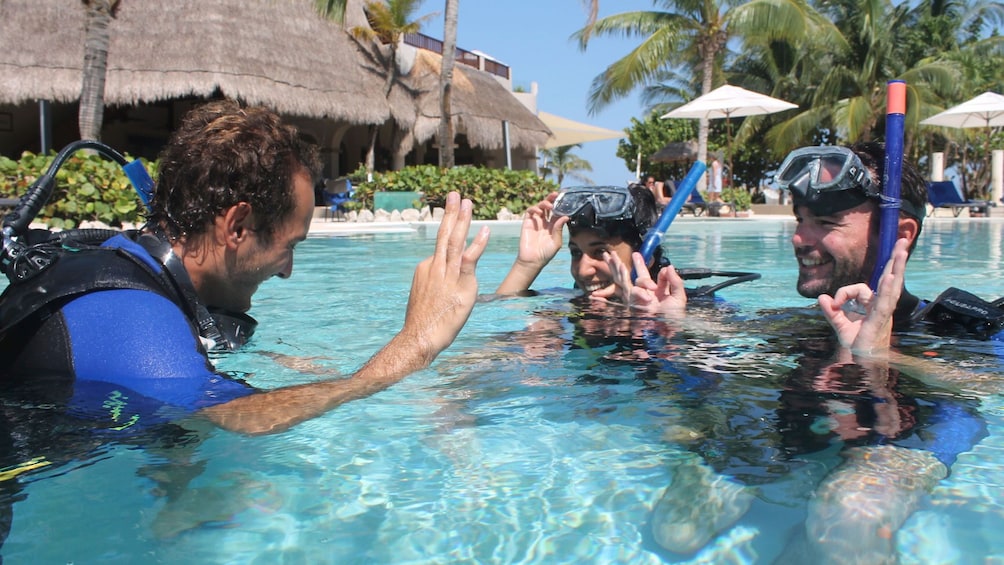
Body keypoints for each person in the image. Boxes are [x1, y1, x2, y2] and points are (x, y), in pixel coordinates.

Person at [0, 100, 490, 436]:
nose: (288, 271)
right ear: (237, 225)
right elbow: (243, 418)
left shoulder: (123, 260)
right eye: (288, 245)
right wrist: (416, 342)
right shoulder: (130, 312)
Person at [495, 184, 685, 309]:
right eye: (576, 252)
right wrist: (527, 265)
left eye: (600, 252)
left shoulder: (677, 306)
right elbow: (496, 318)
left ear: (645, 256)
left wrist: (666, 321)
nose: (583, 270)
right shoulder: (569, 304)